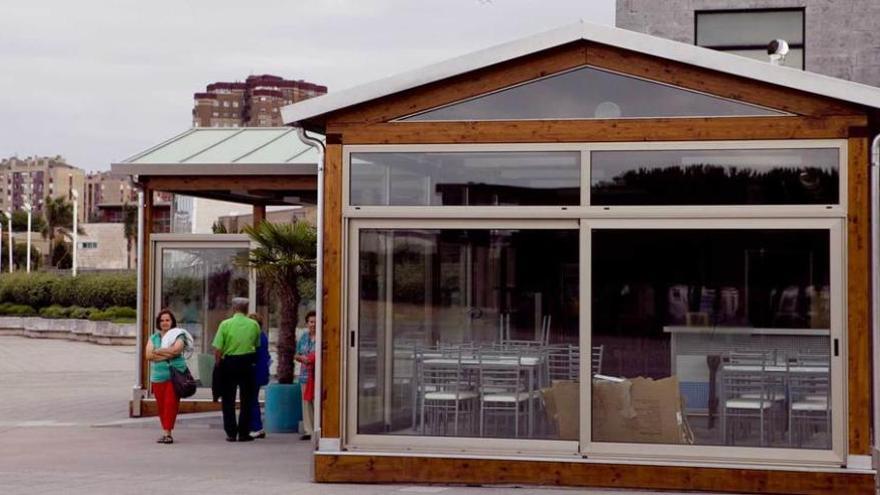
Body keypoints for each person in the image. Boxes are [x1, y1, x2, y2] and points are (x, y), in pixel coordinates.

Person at [213, 297, 261, 442]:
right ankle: (244, 432)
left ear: (233, 308)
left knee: (228, 399)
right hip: (247, 363)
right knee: (247, 399)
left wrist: (218, 364)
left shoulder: (225, 324)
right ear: (247, 309)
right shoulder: (254, 324)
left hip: (229, 362)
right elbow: (256, 344)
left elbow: (218, 348)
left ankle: (231, 432)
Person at [145, 309, 193, 444]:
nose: (165, 323)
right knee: (161, 406)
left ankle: (168, 433)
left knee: (170, 404)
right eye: (162, 320)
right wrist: (169, 353)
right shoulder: (154, 337)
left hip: (175, 376)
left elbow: (177, 350)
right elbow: (148, 355)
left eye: (167, 320)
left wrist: (158, 352)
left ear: (172, 322)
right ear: (158, 323)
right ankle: (165, 430)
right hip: (158, 377)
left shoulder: (179, 335)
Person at [248, 312, 271, 439]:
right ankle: (255, 425)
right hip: (260, 371)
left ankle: (256, 426)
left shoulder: (257, 338)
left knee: (251, 399)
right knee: (252, 398)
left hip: (255, 371)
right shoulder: (262, 336)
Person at [294, 311, 317, 441]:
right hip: (305, 375)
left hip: (317, 375)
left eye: (315, 322)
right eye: (311, 322)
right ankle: (309, 430)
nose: (313, 324)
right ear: (307, 323)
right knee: (306, 402)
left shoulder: (322, 337)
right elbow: (297, 354)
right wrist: (302, 359)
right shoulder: (303, 337)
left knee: (316, 402)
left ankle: (318, 429)